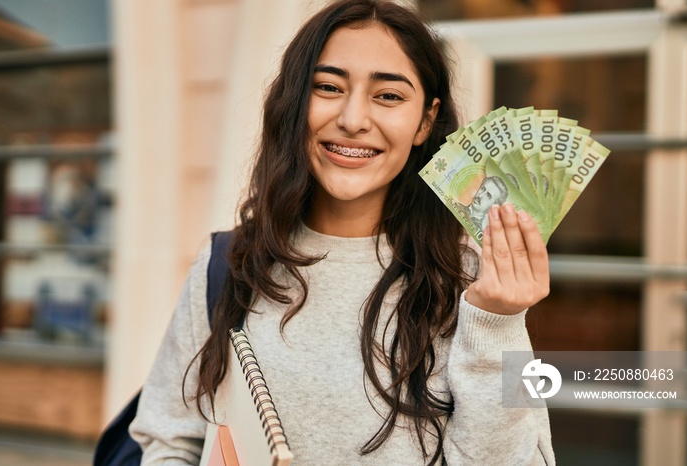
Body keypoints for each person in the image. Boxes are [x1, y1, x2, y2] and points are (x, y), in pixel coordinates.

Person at [129, 1, 555, 465]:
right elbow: (168, 439)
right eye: (328, 87)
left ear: (425, 122)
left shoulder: (472, 282)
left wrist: (496, 321)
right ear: (295, 105)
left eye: (388, 96)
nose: (353, 119)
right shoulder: (228, 264)